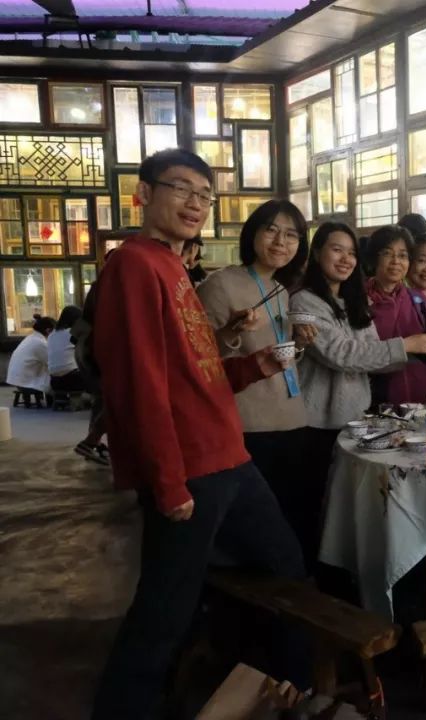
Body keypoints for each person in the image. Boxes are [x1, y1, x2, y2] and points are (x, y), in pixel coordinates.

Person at [90, 149, 309, 719]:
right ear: (143, 194)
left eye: (205, 196)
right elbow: (139, 384)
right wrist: (167, 482)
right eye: (182, 189)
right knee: (165, 608)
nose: (195, 204)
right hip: (191, 469)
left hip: (229, 457)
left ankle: (285, 689)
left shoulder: (173, 266)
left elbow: (196, 373)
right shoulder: (133, 266)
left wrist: (253, 366)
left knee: (285, 564)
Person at [291, 223, 426, 548]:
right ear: (317, 253)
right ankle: (309, 570)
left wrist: (421, 350)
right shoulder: (305, 301)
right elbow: (342, 353)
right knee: (313, 504)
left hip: (357, 421)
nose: (345, 259)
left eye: (350, 252)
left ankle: (343, 564)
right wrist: (407, 345)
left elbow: (373, 356)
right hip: (317, 423)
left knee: (348, 506)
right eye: (336, 250)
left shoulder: (352, 301)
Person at [196, 199, 316, 563]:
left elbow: (278, 353)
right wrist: (232, 331)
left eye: (291, 235)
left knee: (288, 519)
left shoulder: (281, 290)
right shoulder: (220, 285)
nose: (281, 241)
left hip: (292, 417)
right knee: (253, 537)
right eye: (272, 230)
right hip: (249, 423)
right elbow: (199, 356)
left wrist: (300, 344)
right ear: (253, 234)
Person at [364, 224, 426, 406]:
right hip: (374, 401)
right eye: (387, 253)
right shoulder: (358, 301)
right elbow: (356, 353)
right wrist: (407, 345)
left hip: (421, 399)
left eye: (403, 255)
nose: (396, 261)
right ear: (374, 258)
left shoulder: (422, 302)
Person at [49, 305, 110, 465]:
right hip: (77, 376)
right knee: (110, 407)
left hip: (59, 378)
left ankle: (93, 443)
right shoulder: (87, 334)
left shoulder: (54, 334)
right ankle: (91, 442)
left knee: (99, 405)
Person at [6, 314, 54, 395]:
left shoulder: (31, 338)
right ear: (48, 330)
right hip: (26, 384)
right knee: (58, 376)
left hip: (17, 381)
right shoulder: (40, 343)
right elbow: (52, 364)